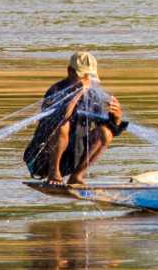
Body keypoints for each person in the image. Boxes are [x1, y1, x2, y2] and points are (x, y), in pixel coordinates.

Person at [23, 51, 127, 188]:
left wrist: (117, 117)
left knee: (105, 133)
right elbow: (60, 119)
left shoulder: (95, 96)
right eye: (81, 76)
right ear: (70, 72)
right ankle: (54, 173)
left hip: (73, 157)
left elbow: (109, 131)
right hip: (42, 160)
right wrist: (78, 92)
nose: (85, 80)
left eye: (88, 77)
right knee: (63, 126)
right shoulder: (55, 91)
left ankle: (77, 176)